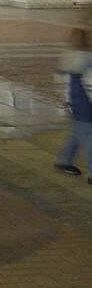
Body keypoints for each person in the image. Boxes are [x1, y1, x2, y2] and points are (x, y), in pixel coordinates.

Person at [54, 27, 92, 180]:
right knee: (89, 139)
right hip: (85, 106)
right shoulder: (88, 60)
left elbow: (60, 82)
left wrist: (66, 103)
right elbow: (90, 86)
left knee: (77, 132)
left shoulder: (67, 58)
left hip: (74, 103)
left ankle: (63, 160)